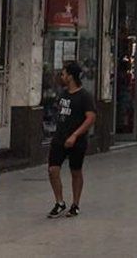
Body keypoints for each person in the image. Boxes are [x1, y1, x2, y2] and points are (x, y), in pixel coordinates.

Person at [47, 61, 97, 219]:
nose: (61, 76)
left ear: (71, 76)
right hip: (59, 137)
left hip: (77, 140)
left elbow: (91, 118)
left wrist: (75, 135)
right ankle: (59, 201)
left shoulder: (84, 96)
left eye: (63, 73)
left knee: (76, 171)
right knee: (53, 169)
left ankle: (75, 203)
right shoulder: (62, 94)